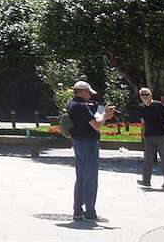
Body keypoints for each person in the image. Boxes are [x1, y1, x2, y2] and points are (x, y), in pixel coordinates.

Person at [67, 80, 116, 222]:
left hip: (78, 143)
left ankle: (77, 210)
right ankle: (90, 212)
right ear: (81, 91)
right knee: (90, 179)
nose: (90, 95)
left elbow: (91, 119)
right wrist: (106, 116)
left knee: (80, 178)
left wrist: (100, 113)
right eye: (88, 92)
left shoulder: (71, 104)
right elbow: (96, 125)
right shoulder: (81, 107)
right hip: (89, 143)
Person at [134, 88, 164, 190]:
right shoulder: (141, 107)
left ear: (151, 95)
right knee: (147, 160)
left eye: (146, 94)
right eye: (142, 95)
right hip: (149, 137)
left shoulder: (159, 105)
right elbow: (143, 122)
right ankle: (146, 181)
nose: (144, 96)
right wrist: (143, 135)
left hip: (161, 136)